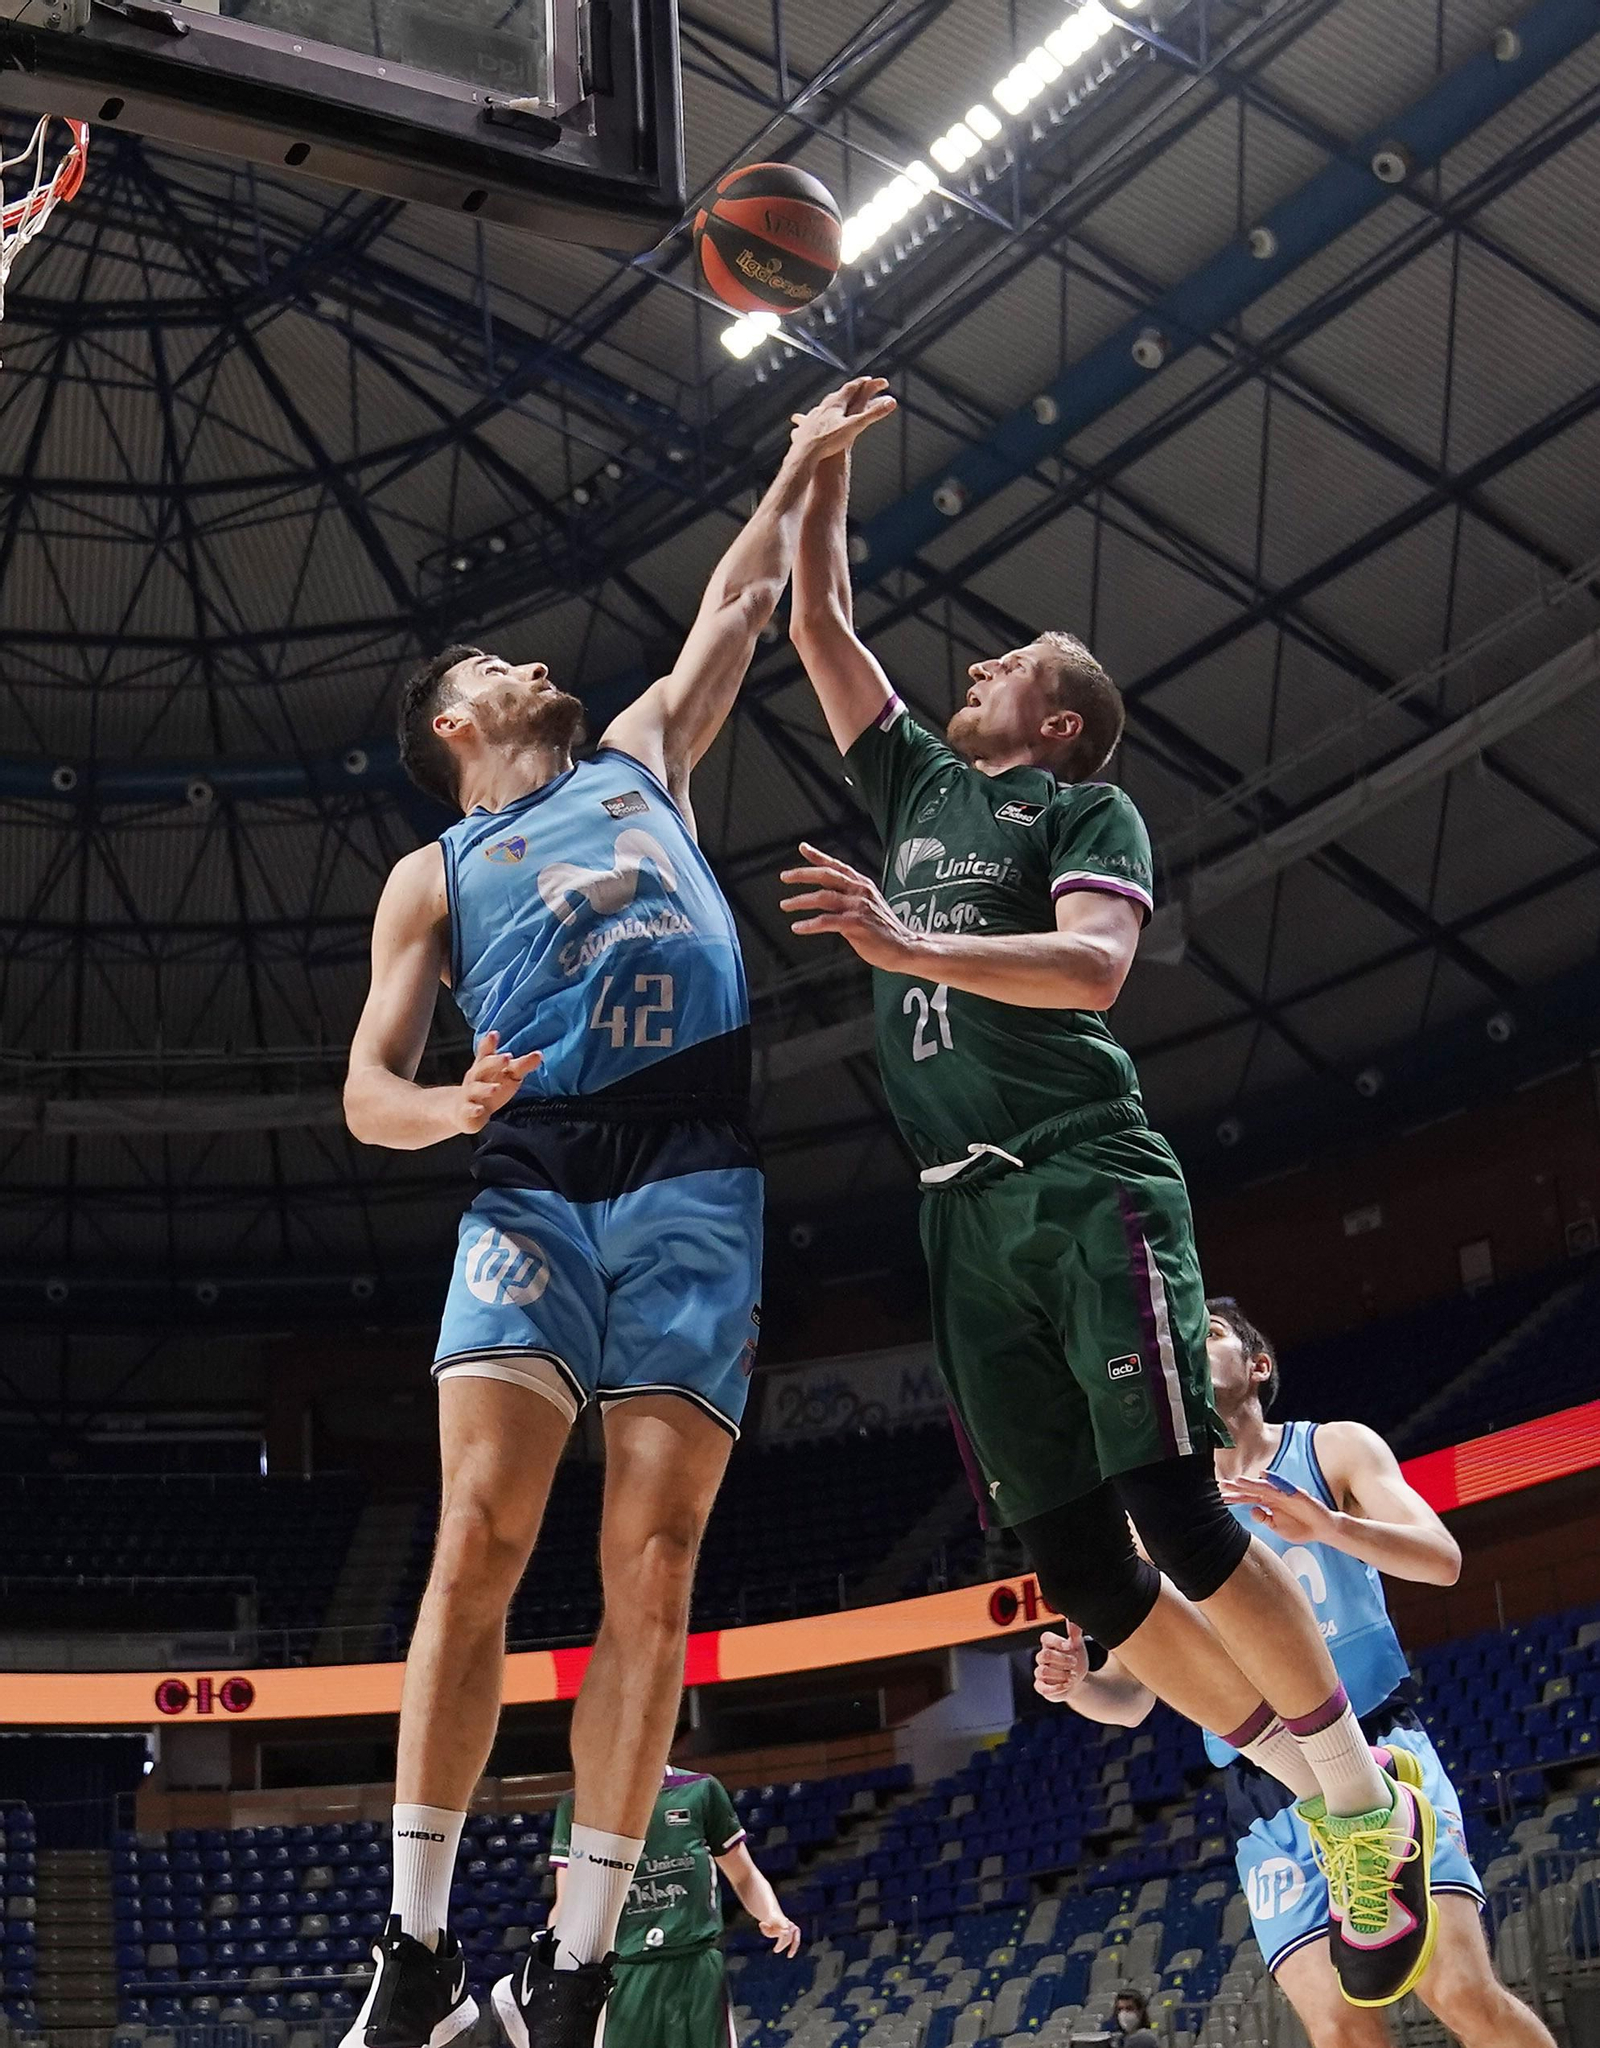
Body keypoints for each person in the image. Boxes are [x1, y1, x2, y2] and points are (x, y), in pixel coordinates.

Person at [780, 380, 1433, 2008]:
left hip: (1083, 1176)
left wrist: (908, 943)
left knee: (1175, 1503)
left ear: (1058, 721)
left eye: (1005, 666)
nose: (972, 668)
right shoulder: (920, 786)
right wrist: (811, 470)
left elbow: (1092, 965)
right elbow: (819, 620)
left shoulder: (1081, 804)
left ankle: (1360, 1804)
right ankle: (1333, 1797)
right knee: (1079, 1569)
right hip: (960, 1211)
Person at [339, 380, 894, 2048]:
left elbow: (736, 602)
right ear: (453, 722)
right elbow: (365, 1088)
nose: (528, 664)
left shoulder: (640, 754)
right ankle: (418, 1936)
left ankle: (577, 1970)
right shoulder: (434, 871)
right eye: (492, 663)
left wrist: (803, 467)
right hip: (534, 1178)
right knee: (480, 1539)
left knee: (652, 1566)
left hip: (696, 1178)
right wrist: (453, 1104)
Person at [1034, 1299, 1557, 2048]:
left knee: (1461, 1991)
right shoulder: (1152, 1526)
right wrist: (1081, 1683)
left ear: (1258, 1366)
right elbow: (1132, 1699)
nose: (1187, 1345)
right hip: (1263, 1784)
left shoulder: (1333, 1448)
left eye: (1207, 1334)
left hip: (1376, 1755)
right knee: (1340, 2030)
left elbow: (1442, 1561)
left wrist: (1331, 1527)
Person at [546, 1762, 800, 2048]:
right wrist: (549, 1965)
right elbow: (566, 1902)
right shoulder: (580, 1803)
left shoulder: (700, 1790)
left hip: (696, 1969)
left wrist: (773, 1914)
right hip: (623, 1973)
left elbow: (744, 1874)